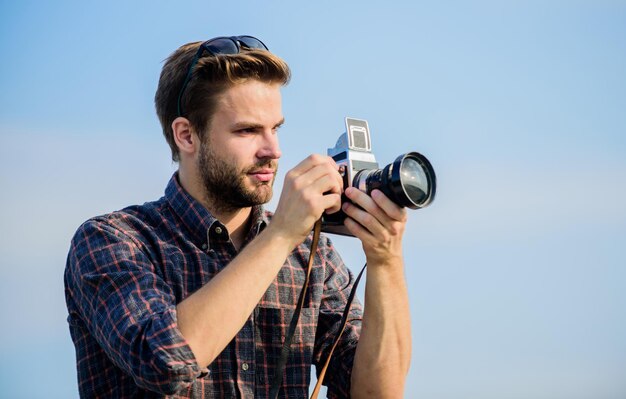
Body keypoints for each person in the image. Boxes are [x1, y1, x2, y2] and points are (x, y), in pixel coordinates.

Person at [64, 35, 411, 398]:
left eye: (275, 128)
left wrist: (386, 260)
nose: (273, 150)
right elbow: (165, 362)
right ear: (186, 135)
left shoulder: (312, 254)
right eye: (247, 130)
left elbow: (375, 394)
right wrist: (279, 236)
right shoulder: (112, 240)